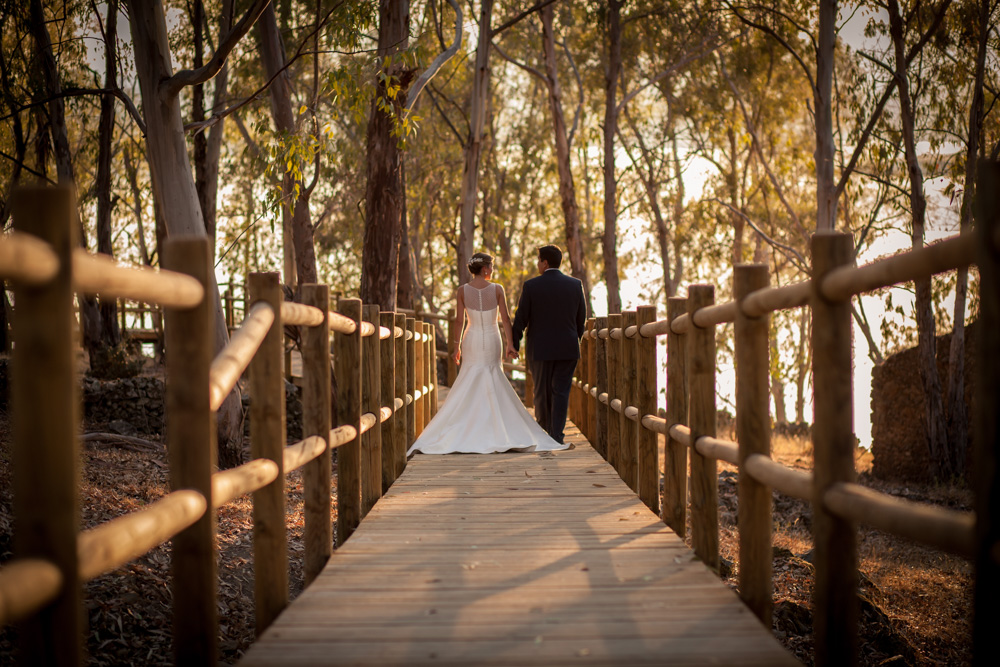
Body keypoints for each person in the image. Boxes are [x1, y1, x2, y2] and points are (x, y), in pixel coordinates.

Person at [406, 252, 569, 455]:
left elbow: (459, 321)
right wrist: (511, 344)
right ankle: (495, 427)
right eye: (491, 266)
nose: (492, 270)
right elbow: (506, 319)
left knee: (470, 377)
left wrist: (456, 346)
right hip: (493, 338)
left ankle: (467, 427)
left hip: (471, 338)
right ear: (484, 269)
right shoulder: (497, 289)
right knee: (493, 376)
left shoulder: (462, 291)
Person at [511, 245, 586, 444]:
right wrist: (572, 341)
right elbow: (581, 321)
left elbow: (521, 319)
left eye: (538, 260)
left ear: (544, 263)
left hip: (540, 349)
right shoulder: (575, 285)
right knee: (561, 392)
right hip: (568, 349)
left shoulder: (532, 286)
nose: (537, 264)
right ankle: (557, 436)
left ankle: (543, 434)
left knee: (542, 393)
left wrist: (514, 344)